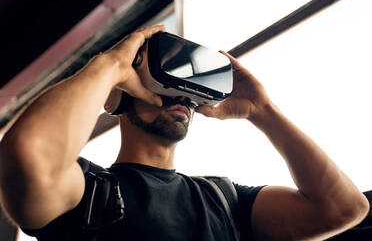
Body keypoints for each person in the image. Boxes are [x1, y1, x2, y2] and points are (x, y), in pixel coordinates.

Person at [0, 25, 369, 241]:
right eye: (164, 81)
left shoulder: (224, 199)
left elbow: (342, 208)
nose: (180, 96)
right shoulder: (90, 192)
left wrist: (263, 110)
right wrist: (111, 65)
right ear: (116, 98)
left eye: (188, 88)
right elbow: (28, 155)